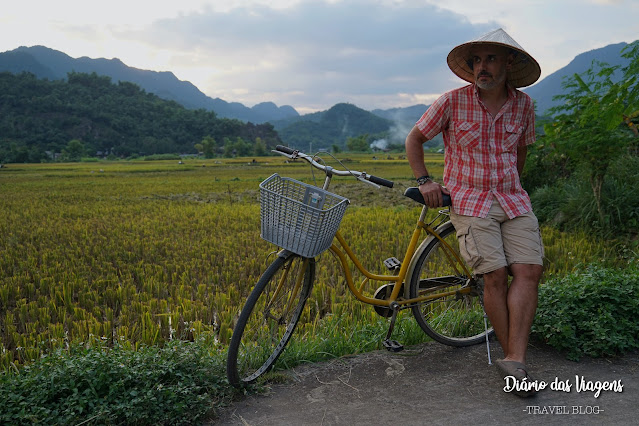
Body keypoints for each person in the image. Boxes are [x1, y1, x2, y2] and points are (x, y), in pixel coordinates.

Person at [405, 28, 544, 397]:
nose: (482, 67)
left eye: (491, 58)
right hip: (469, 198)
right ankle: (516, 363)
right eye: (477, 60)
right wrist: (425, 180)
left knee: (529, 270)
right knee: (495, 276)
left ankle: (514, 357)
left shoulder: (525, 106)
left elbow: (520, 154)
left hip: (513, 198)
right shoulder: (452, 101)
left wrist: (512, 182)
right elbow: (415, 138)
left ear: (508, 63)